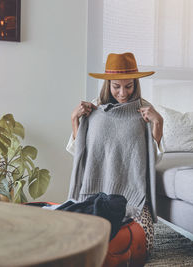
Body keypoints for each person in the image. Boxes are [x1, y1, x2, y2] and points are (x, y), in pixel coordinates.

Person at [66, 52, 164, 256]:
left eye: (128, 86)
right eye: (116, 86)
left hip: (133, 196)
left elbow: (152, 159)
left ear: (135, 84)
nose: (122, 93)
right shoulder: (94, 109)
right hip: (95, 192)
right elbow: (80, 153)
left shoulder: (144, 111)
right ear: (107, 84)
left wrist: (158, 123)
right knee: (76, 240)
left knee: (144, 245)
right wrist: (75, 120)